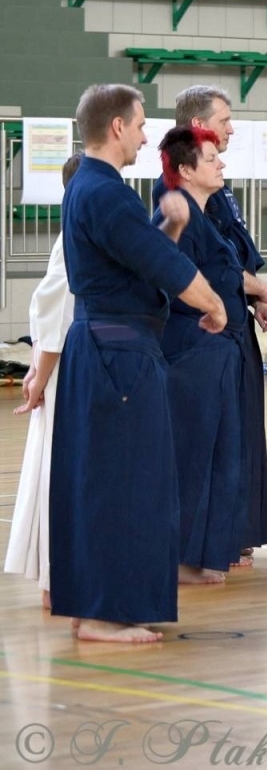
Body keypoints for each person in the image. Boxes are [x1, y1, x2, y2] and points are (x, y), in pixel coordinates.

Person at [52, 85, 225, 642]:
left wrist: (171, 225)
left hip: (109, 348)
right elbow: (160, 267)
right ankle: (105, 613)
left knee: (107, 480)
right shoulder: (104, 192)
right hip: (118, 355)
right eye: (143, 123)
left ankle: (94, 605)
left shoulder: (94, 189)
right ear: (118, 128)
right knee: (125, 483)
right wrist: (215, 303)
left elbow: (136, 260)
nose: (148, 134)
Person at [165, 85, 267, 563]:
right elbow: (190, 273)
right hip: (200, 339)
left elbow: (234, 258)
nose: (231, 131)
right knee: (205, 445)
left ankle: (230, 534)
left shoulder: (216, 199)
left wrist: (254, 295)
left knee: (237, 439)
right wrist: (234, 298)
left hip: (228, 332)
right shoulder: (176, 202)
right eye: (223, 121)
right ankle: (198, 546)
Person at [154, 127, 248, 586]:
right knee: (194, 455)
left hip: (216, 351)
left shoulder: (205, 216)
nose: (221, 164)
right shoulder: (179, 217)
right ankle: (180, 558)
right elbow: (172, 281)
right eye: (211, 159)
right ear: (186, 170)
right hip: (192, 350)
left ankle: (203, 554)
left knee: (220, 454)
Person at [5, 154, 81, 609]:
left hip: (73, 362)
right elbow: (54, 313)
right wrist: (40, 372)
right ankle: (58, 577)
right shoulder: (72, 239)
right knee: (59, 468)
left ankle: (66, 576)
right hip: (67, 367)